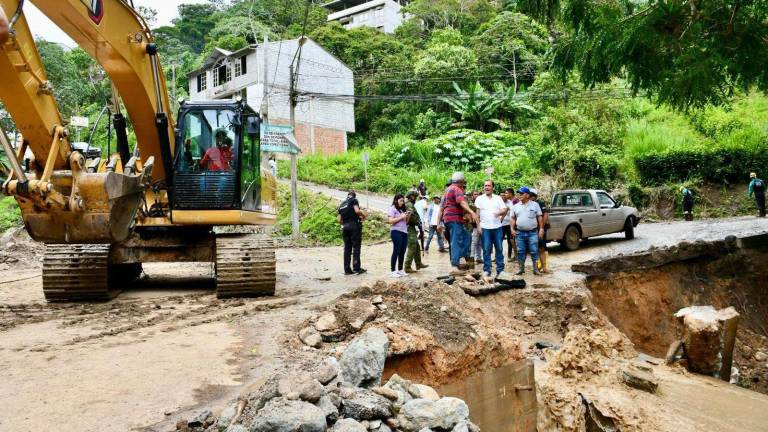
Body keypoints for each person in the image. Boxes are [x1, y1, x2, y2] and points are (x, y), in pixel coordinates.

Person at [437, 172, 480, 275]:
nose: (463, 185)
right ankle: (454, 266)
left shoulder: (447, 191)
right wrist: (472, 212)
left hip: (449, 219)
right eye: (463, 183)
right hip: (454, 219)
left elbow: (441, 209)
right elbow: (462, 202)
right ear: (461, 181)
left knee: (467, 236)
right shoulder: (457, 189)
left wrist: (438, 223)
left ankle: (460, 258)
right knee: (455, 241)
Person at [474, 180, 509, 278]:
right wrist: (478, 226)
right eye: (485, 186)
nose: (487, 187)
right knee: (486, 249)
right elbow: (477, 214)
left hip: (497, 227)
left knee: (499, 249)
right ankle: (487, 270)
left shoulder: (498, 198)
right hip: (485, 228)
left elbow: (505, 209)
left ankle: (500, 270)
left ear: (493, 187)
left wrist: (498, 213)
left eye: (489, 186)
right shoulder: (479, 199)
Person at [510, 187, 543, 276]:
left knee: (534, 250)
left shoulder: (535, 205)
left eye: (521, 194)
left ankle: (535, 269)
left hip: (532, 232)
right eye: (519, 193)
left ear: (527, 195)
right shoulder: (515, 206)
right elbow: (512, 218)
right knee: (520, 251)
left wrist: (541, 229)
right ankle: (521, 269)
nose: (519, 195)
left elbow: (539, 217)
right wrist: (512, 229)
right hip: (519, 233)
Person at [338, 191, 367, 275]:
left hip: (345, 227)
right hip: (354, 226)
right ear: (354, 196)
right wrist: (364, 215)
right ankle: (356, 268)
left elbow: (339, 220)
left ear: (347, 196)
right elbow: (357, 211)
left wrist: (346, 223)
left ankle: (347, 270)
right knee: (356, 247)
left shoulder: (342, 204)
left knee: (347, 249)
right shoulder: (354, 200)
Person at [404, 190, 429, 273]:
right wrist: (417, 222)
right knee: (412, 245)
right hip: (408, 227)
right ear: (411, 196)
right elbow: (410, 216)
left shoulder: (410, 204)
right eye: (414, 196)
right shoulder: (408, 204)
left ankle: (418, 263)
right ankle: (407, 267)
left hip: (411, 227)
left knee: (417, 246)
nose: (415, 198)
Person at [387, 194, 410, 278]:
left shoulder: (401, 210)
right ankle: (393, 271)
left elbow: (406, 222)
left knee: (402, 251)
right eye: (401, 200)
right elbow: (390, 221)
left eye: (403, 201)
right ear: (396, 200)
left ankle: (400, 270)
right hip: (396, 232)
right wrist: (401, 217)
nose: (402, 202)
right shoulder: (392, 208)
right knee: (396, 251)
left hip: (404, 232)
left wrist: (408, 215)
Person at [529, 189, 550, 273]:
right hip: (532, 229)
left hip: (540, 228)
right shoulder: (528, 204)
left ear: (534, 196)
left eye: (531, 196)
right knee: (534, 248)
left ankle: (545, 267)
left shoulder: (540, 203)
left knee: (542, 247)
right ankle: (538, 266)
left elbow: (545, 215)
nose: (530, 197)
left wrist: (541, 227)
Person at [501, 188, 518, 263]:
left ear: (511, 194)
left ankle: (517, 256)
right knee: (511, 240)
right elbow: (506, 211)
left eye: (506, 193)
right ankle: (515, 256)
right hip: (509, 224)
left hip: (514, 224)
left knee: (513, 240)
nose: (505, 195)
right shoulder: (511, 201)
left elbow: (516, 213)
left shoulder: (515, 201)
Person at [468, 190, 483, 267]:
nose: (476, 195)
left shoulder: (481, 203)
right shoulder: (471, 205)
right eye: (475, 194)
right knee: (474, 242)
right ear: (472, 195)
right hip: (474, 225)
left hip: (482, 224)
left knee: (479, 242)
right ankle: (472, 257)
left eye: (477, 194)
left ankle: (478, 257)